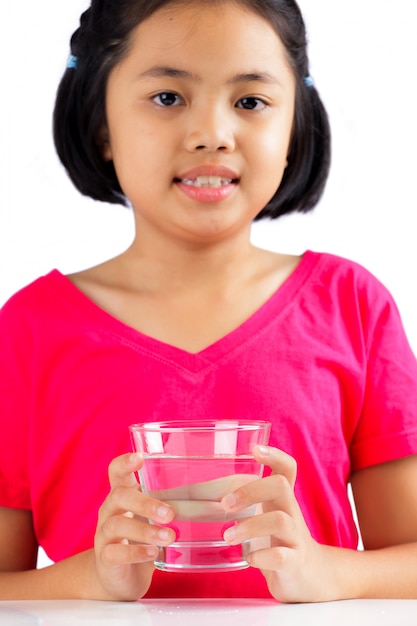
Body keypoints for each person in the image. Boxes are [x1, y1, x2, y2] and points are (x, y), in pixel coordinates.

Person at [1, 0, 417, 603]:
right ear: (100, 125)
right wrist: (91, 579)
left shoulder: (351, 306)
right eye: (168, 97)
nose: (212, 135)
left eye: (250, 101)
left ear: (294, 124)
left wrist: (326, 572)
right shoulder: (31, 329)